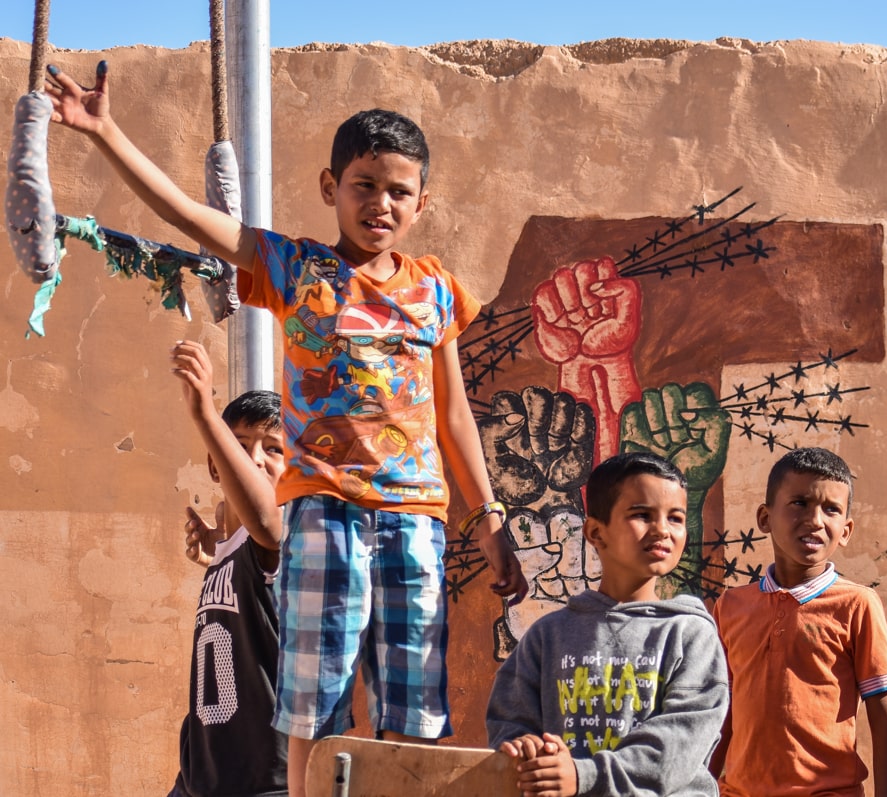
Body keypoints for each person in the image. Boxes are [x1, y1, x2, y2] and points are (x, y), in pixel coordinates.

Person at [44, 62, 528, 797]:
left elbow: (453, 410)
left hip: (417, 518)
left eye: (399, 191)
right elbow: (189, 216)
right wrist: (106, 133)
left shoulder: (434, 288)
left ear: (422, 203)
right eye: (364, 185)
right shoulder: (296, 266)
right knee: (313, 697)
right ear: (332, 186)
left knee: (413, 702)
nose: (381, 203)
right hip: (324, 512)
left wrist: (488, 517)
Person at [487, 452, 729, 797]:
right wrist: (523, 747)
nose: (662, 529)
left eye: (675, 518)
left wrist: (585, 776)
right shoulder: (548, 635)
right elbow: (510, 718)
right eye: (642, 515)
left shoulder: (690, 634)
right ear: (596, 532)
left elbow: (681, 742)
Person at [709, 446, 887, 797]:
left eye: (831, 510)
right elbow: (720, 711)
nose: (815, 520)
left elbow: (885, 715)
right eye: (799, 503)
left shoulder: (857, 604)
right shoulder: (731, 606)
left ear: (845, 531)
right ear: (765, 518)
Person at [168, 340, 288, 796]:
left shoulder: (286, 535)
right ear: (216, 466)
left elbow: (266, 530)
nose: (255, 458)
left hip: (265, 781)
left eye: (273, 448)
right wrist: (216, 553)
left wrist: (205, 412)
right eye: (239, 446)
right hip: (203, 776)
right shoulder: (230, 550)